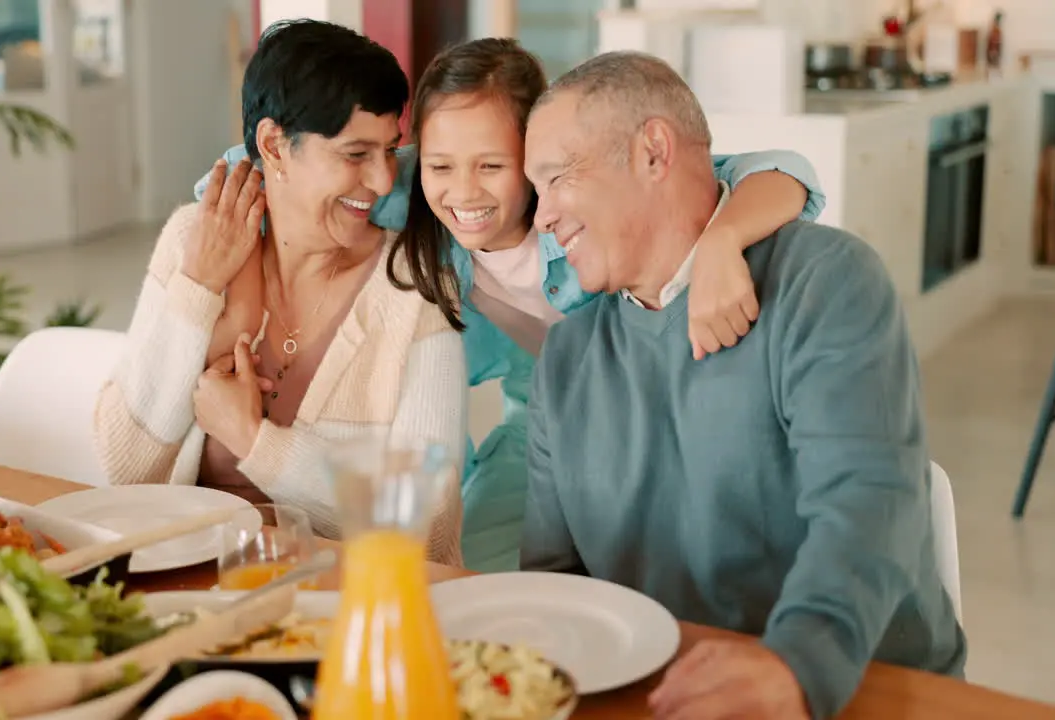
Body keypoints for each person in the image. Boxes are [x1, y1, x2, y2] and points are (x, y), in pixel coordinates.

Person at [204, 38, 826, 572]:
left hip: (650, 427)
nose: (463, 192)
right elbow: (245, 170)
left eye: (494, 165)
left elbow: (782, 170)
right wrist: (238, 314)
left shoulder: (584, 203)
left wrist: (723, 241)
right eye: (440, 163)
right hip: (537, 424)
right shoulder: (417, 194)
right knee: (479, 580)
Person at [522, 52, 965, 720]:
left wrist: (796, 665)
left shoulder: (826, 281)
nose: (541, 216)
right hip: (668, 697)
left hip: (862, 692)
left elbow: (869, 502)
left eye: (557, 178)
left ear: (652, 152)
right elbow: (554, 586)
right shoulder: (567, 358)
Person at [94, 19, 467, 566]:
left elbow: (424, 527)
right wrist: (198, 291)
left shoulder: (415, 286)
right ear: (274, 145)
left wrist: (253, 440)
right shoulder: (194, 244)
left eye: (390, 151)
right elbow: (125, 469)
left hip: (354, 609)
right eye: (355, 153)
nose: (385, 180)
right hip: (194, 591)